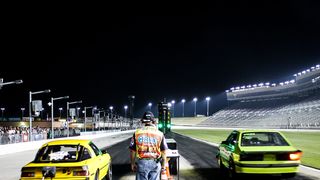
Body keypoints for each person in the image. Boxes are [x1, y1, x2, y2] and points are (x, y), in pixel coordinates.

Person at [129, 111, 168, 180]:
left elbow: (132, 151)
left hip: (142, 163)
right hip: (155, 163)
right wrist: (163, 166)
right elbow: (164, 152)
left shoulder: (137, 133)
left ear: (143, 121)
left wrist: (132, 163)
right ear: (153, 121)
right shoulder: (160, 134)